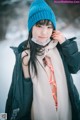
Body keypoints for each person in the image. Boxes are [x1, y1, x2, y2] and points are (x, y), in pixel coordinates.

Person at [5, 0, 80, 120]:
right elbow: (20, 97)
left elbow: (75, 67)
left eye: (49, 27)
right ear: (31, 28)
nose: (44, 32)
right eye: (39, 26)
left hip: (67, 113)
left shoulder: (60, 48)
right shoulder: (25, 56)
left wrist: (66, 44)